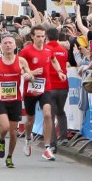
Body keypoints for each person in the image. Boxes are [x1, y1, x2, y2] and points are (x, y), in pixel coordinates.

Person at [18, 25, 65, 160]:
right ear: (32, 37)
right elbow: (19, 67)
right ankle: (28, 138)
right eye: (38, 36)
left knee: (48, 114)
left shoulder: (48, 50)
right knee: (30, 119)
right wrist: (30, 73)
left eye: (43, 36)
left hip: (45, 88)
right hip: (30, 89)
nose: (40, 39)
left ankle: (47, 147)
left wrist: (59, 71)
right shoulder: (26, 51)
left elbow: (54, 60)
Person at [0, 33, 31, 169]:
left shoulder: (21, 61)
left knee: (13, 133)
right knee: (5, 127)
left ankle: (9, 157)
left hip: (15, 100)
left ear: (15, 45)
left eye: (10, 43)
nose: (7, 45)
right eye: (5, 43)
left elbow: (31, 75)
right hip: (0, 100)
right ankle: (1, 140)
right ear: (1, 46)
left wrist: (28, 76)